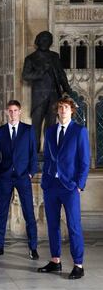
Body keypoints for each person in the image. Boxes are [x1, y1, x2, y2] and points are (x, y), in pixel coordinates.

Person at [38, 95, 90, 279]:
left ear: (71, 110)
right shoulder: (50, 131)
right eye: (60, 107)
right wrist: (45, 180)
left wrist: (80, 185)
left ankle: (78, 265)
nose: (62, 110)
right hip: (51, 185)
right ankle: (55, 261)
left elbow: (85, 161)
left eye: (66, 108)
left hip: (70, 187)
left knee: (74, 225)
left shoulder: (79, 131)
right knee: (52, 225)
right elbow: (48, 158)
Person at [0, 100, 39, 260]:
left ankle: (33, 247)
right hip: (5, 177)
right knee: (1, 212)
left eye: (15, 110)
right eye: (10, 111)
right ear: (6, 112)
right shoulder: (0, 132)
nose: (12, 113)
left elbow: (33, 153)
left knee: (29, 213)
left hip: (23, 176)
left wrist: (31, 173)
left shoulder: (28, 130)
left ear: (20, 111)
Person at [22, 31, 72, 152]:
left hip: (54, 95)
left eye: (48, 40)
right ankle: (34, 152)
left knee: (50, 126)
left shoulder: (54, 56)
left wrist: (67, 88)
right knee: (36, 125)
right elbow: (26, 75)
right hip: (39, 96)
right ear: (38, 41)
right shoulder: (31, 58)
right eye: (43, 39)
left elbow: (61, 74)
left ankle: (49, 151)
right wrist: (42, 71)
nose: (45, 42)